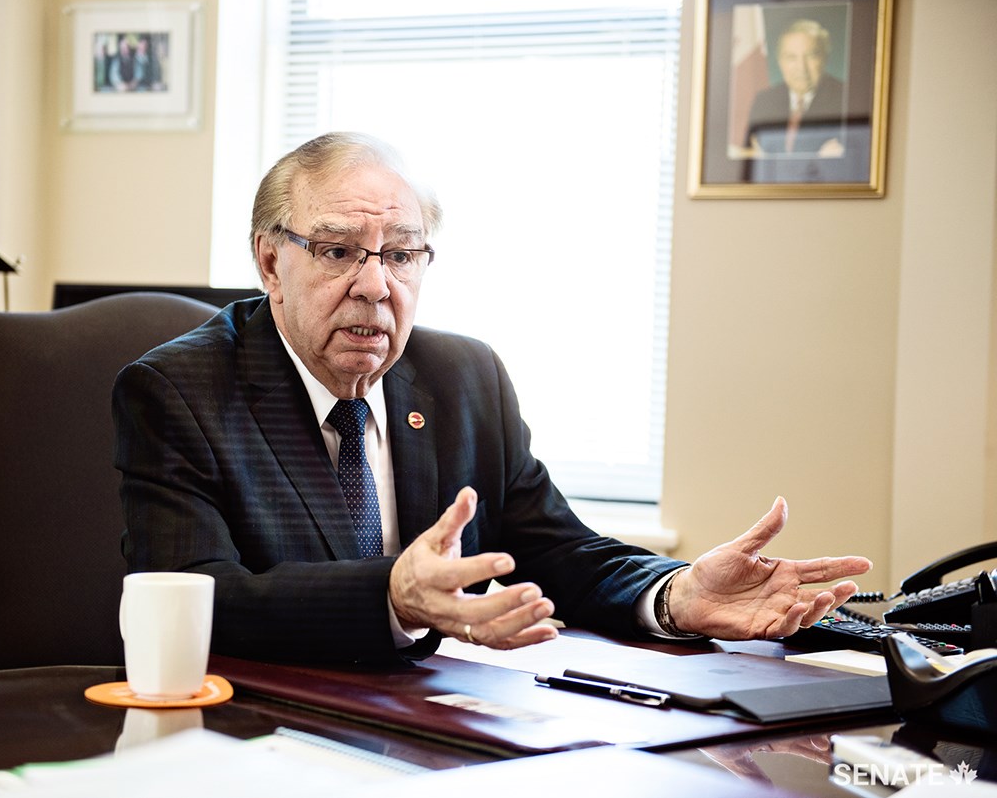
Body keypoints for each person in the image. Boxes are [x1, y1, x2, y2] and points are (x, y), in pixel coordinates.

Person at [112, 131, 871, 665]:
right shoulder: (180, 391)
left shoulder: (465, 377)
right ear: (272, 262)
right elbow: (201, 598)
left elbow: (557, 551)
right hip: (265, 740)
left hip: (444, 731)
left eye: (402, 254)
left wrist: (673, 594)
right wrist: (395, 596)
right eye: (340, 251)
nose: (376, 285)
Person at [744, 19, 847, 156]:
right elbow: (749, 155)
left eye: (811, 56)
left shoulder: (846, 99)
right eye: (791, 57)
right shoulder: (764, 100)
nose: (801, 67)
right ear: (780, 61)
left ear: (825, 58)